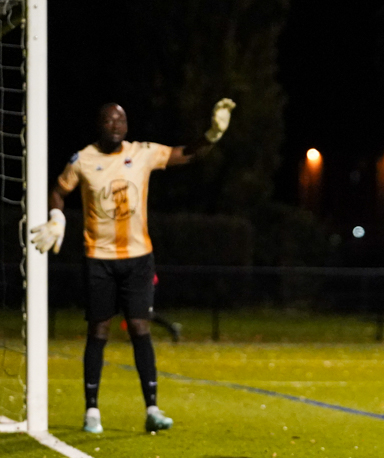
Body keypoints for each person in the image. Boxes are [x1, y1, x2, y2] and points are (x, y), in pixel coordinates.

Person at [30, 98, 236, 433]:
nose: (116, 126)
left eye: (121, 121)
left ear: (127, 126)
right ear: (100, 124)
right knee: (98, 330)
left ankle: (152, 408)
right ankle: (92, 411)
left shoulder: (141, 152)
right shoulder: (83, 159)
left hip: (138, 259)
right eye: (110, 121)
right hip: (99, 258)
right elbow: (58, 190)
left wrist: (211, 134)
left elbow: (184, 153)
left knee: (141, 329)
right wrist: (56, 217)